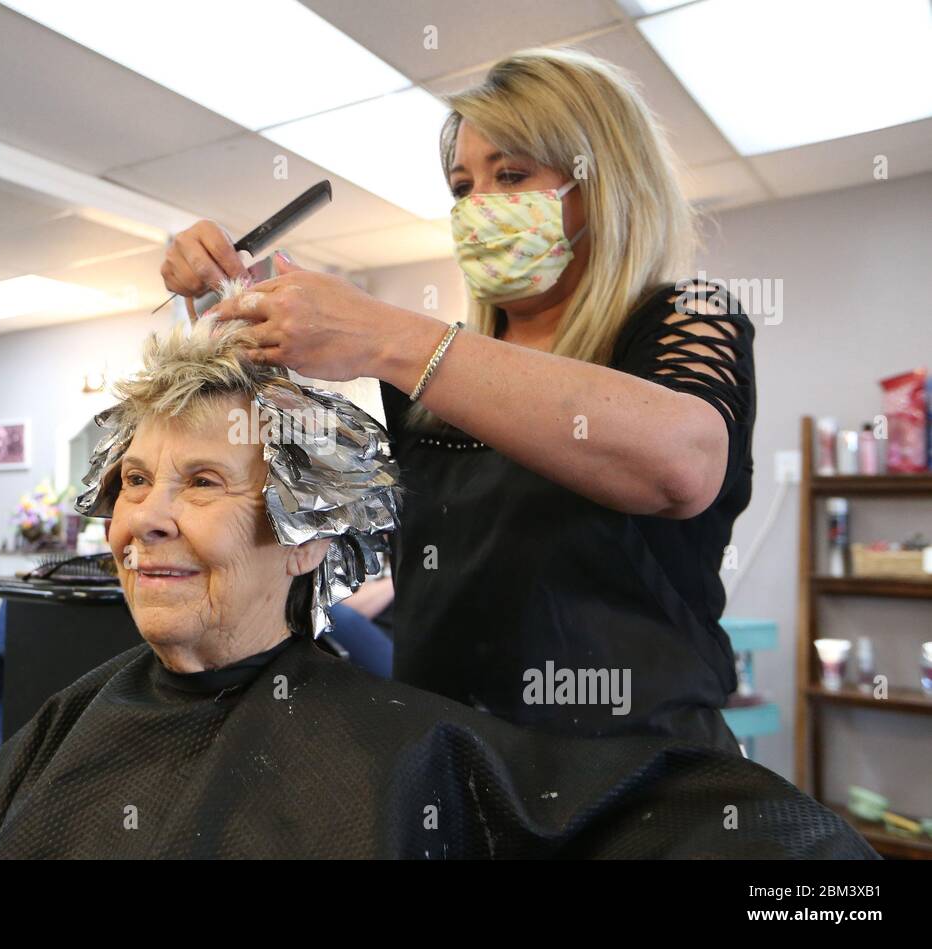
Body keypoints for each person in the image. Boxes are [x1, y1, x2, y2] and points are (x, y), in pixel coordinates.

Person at [0, 302, 869, 859]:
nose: (142, 516)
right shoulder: (64, 722)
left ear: (308, 537)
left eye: (204, 482)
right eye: (134, 481)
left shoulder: (412, 758)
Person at [163, 48, 755, 752]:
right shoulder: (421, 376)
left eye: (512, 175)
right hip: (452, 760)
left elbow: (682, 465)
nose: (479, 207)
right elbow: (272, 494)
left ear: (605, 184)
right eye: (462, 186)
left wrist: (386, 335)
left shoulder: (686, 317)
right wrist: (223, 305)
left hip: (633, 779)